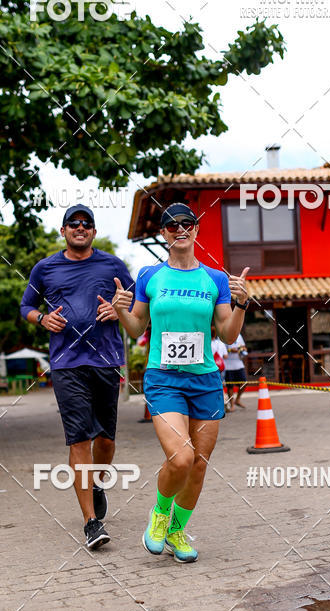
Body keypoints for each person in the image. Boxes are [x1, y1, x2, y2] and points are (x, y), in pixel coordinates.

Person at [99, 202, 249, 563]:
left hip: (206, 382)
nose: (179, 229)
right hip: (164, 380)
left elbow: (228, 335)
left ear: (196, 229)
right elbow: (136, 327)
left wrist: (243, 304)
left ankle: (178, 531)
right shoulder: (150, 276)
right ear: (164, 234)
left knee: (199, 463)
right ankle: (160, 515)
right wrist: (121, 309)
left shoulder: (214, 279)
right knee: (180, 458)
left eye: (187, 223)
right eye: (171, 225)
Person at [20, 204, 134, 549]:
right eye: (73, 223)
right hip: (67, 363)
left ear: (94, 232)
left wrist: (118, 306)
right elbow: (26, 306)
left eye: (86, 224)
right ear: (64, 230)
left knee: (107, 441)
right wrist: (41, 319)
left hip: (106, 360)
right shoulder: (45, 268)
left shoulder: (112, 264)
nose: (80, 227)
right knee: (79, 439)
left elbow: (133, 301)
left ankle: (97, 482)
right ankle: (91, 522)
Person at [224, 333, 248, 411]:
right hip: (228, 364)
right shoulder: (224, 336)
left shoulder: (239, 336)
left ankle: (237, 399)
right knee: (230, 386)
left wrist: (243, 349)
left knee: (244, 382)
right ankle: (232, 405)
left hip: (239, 363)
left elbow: (244, 346)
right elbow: (222, 350)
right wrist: (230, 350)